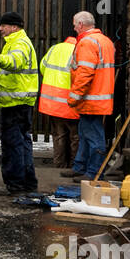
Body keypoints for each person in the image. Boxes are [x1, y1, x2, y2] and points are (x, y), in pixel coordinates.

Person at [0, 11, 39, 195]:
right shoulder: (19, 41)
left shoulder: (18, 43)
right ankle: (28, 182)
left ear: (14, 27)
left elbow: (16, 61)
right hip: (22, 102)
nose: (0, 29)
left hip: (15, 102)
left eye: (3, 25)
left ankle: (15, 184)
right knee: (23, 142)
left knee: (12, 144)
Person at [67, 10, 116, 179]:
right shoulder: (105, 41)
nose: (74, 28)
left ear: (81, 24)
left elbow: (85, 73)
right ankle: (80, 167)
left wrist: (75, 96)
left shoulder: (87, 43)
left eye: (74, 24)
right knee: (85, 133)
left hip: (90, 99)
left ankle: (93, 172)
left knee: (94, 137)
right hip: (100, 97)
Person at [38, 35, 80, 171]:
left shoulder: (54, 49)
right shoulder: (78, 51)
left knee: (58, 135)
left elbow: (42, 68)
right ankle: (74, 166)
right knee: (75, 137)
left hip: (52, 103)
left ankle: (59, 165)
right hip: (71, 102)